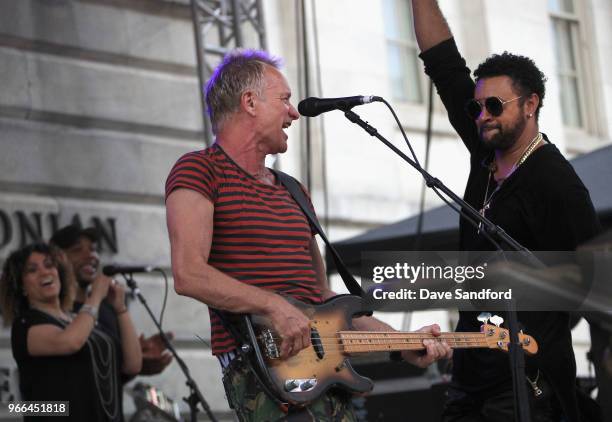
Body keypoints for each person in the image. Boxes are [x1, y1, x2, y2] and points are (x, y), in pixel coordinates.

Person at [165, 49, 452, 421]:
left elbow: (324, 297)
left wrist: (402, 343)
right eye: (284, 100)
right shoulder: (199, 170)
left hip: (327, 379)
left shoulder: (293, 190)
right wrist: (273, 305)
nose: (294, 112)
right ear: (250, 102)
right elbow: (189, 273)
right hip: (264, 372)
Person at [410, 1, 602, 421]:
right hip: (470, 378)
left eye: (494, 106)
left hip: (529, 384)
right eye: (476, 108)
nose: (483, 116)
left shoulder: (557, 185)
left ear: (530, 104)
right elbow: (443, 63)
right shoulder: (486, 146)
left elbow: (591, 286)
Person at [0, 243, 142, 421]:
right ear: (21, 286)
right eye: (32, 270)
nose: (45, 272)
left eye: (49, 265)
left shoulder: (81, 319)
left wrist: (120, 309)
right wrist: (96, 296)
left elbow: (132, 365)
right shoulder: (25, 324)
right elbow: (70, 342)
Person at [50, 224, 174, 377]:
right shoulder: (55, 311)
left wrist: (137, 358)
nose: (91, 256)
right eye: (77, 250)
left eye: (93, 249)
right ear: (58, 260)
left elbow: (115, 372)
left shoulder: (106, 309)